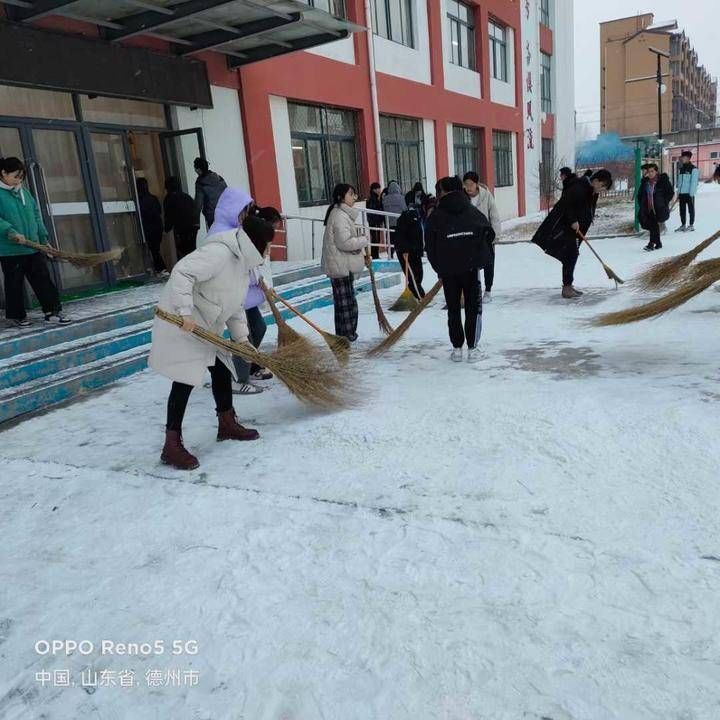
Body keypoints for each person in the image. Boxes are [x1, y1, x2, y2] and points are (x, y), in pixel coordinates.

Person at [148, 189, 268, 471]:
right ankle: (171, 445)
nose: (267, 252)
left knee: (222, 370)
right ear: (253, 244)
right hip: (182, 321)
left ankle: (227, 423)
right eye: (265, 246)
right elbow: (182, 273)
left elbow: (235, 304)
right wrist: (185, 312)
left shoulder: (241, 262)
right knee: (185, 379)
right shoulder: (219, 253)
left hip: (206, 322)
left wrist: (241, 339)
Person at [426, 176, 494, 363]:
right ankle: (472, 348)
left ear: (443, 192)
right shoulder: (471, 212)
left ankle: (456, 348)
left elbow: (430, 246)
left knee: (453, 308)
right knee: (472, 307)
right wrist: (479, 258)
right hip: (471, 269)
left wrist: (440, 267)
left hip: (448, 272)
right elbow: (488, 233)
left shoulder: (436, 216)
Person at [0, 157, 69, 327]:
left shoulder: (25, 193)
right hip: (10, 249)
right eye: (16, 176)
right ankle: (18, 315)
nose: (19, 180)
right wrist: (11, 231)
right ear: (3, 173)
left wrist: (44, 239)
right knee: (14, 283)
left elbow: (36, 216)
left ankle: (52, 311)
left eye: (21, 177)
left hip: (33, 246)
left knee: (43, 279)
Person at [531, 168, 613, 297]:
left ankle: (568, 286)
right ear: (596, 181)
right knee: (571, 255)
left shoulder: (591, 190)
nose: (602, 190)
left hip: (577, 230)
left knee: (570, 256)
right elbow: (566, 204)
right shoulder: (579, 187)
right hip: (565, 228)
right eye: (602, 186)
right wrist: (573, 220)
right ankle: (567, 288)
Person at [321, 183, 368, 342]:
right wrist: (363, 240)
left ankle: (344, 336)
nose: (354, 197)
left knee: (344, 305)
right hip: (339, 266)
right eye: (351, 194)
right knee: (346, 306)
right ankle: (347, 336)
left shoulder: (340, 214)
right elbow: (344, 243)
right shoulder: (339, 215)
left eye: (354, 194)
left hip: (341, 265)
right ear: (341, 197)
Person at [462, 172, 502, 303]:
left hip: (485, 236)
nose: (468, 188)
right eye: (466, 184)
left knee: (488, 263)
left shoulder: (486, 196)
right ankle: (473, 289)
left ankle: (488, 290)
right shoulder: (462, 197)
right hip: (468, 237)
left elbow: (494, 215)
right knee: (471, 265)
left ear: (476, 184)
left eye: (471, 184)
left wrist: (495, 235)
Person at [392, 192, 428, 299]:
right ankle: (419, 296)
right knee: (413, 275)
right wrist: (404, 249)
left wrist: (420, 249)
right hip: (406, 252)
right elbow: (400, 234)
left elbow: (419, 235)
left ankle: (417, 294)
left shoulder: (417, 217)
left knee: (419, 273)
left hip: (415, 251)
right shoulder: (408, 217)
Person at [638, 163, 674, 252]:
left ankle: (651, 244)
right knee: (651, 224)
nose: (650, 173)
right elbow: (640, 195)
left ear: (656, 172)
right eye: (648, 171)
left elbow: (670, 193)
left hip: (658, 208)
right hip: (648, 208)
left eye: (652, 171)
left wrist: (664, 202)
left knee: (653, 224)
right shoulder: (645, 183)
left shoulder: (662, 181)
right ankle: (658, 243)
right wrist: (642, 204)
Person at [136, 178, 166, 276]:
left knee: (152, 251)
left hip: (148, 228)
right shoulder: (153, 198)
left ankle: (159, 269)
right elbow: (159, 211)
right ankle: (159, 269)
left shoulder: (139, 200)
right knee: (155, 250)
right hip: (157, 227)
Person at [163, 176, 198, 261]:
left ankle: (187, 270)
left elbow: (169, 216)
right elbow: (194, 210)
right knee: (192, 249)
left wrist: (166, 228)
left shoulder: (169, 199)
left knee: (183, 251)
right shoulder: (186, 196)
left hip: (181, 229)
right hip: (193, 226)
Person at [193, 157, 227, 230]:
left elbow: (198, 205)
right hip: (225, 213)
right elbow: (227, 194)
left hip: (213, 217)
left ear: (198, 170)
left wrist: (196, 223)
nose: (195, 170)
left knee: (216, 238)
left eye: (195, 168)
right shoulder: (219, 178)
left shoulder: (200, 183)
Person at [675, 150, 699, 232]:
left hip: (689, 193)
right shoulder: (681, 169)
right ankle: (683, 225)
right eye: (682, 158)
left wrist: (691, 193)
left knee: (691, 210)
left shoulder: (693, 169)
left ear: (688, 158)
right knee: (682, 210)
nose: (682, 159)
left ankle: (691, 225)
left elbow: (694, 182)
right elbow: (680, 182)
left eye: (684, 158)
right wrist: (678, 193)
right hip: (682, 193)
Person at [366, 182, 385, 259]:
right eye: (377, 188)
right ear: (373, 190)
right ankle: (375, 255)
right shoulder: (373, 199)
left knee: (375, 238)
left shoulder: (375, 198)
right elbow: (374, 211)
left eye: (379, 188)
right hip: (374, 222)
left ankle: (375, 255)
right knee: (375, 238)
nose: (379, 190)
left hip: (374, 221)